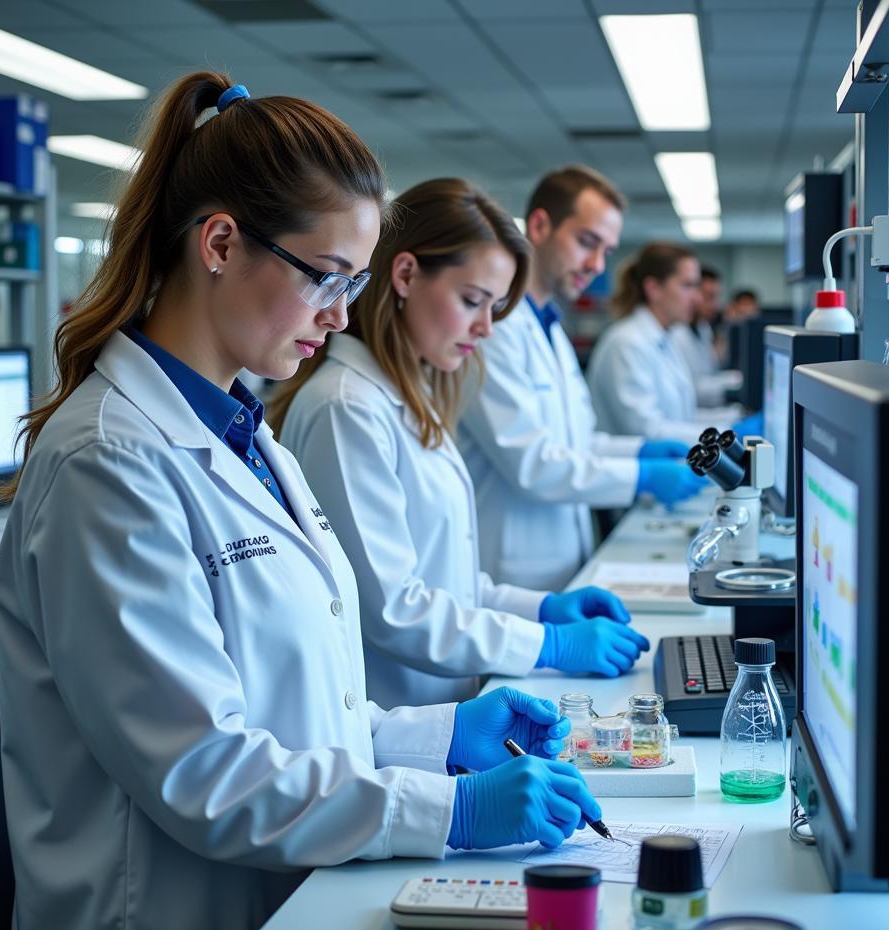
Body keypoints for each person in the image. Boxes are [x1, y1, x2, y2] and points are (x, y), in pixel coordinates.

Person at [0, 74, 601, 930]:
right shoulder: (108, 462)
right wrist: (451, 812)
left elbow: (298, 707)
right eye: (326, 276)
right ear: (222, 243)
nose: (343, 315)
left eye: (355, 283)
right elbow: (204, 769)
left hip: (280, 918)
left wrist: (437, 740)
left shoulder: (247, 432)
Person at [272, 178, 649, 709]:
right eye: (473, 300)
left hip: (444, 699)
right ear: (404, 274)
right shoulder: (347, 409)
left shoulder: (414, 393)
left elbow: (445, 576)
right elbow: (393, 609)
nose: (485, 329)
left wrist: (541, 608)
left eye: (494, 307)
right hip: (395, 715)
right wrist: (548, 644)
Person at [456, 166, 703, 591]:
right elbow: (531, 463)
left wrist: (641, 451)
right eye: (587, 242)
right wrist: (639, 477)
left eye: (606, 251)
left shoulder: (550, 327)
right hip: (511, 568)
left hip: (566, 553)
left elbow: (578, 441)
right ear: (539, 225)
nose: (595, 264)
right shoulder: (493, 329)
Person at [588, 242, 740, 445]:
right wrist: (726, 433)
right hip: (635, 471)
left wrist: (733, 422)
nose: (696, 298)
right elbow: (649, 430)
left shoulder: (666, 339)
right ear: (654, 288)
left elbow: (683, 418)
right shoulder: (627, 343)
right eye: (688, 286)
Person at [677, 264, 742, 407]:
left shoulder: (703, 328)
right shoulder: (677, 334)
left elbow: (709, 376)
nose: (716, 304)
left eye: (716, 297)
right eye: (710, 297)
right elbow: (690, 390)